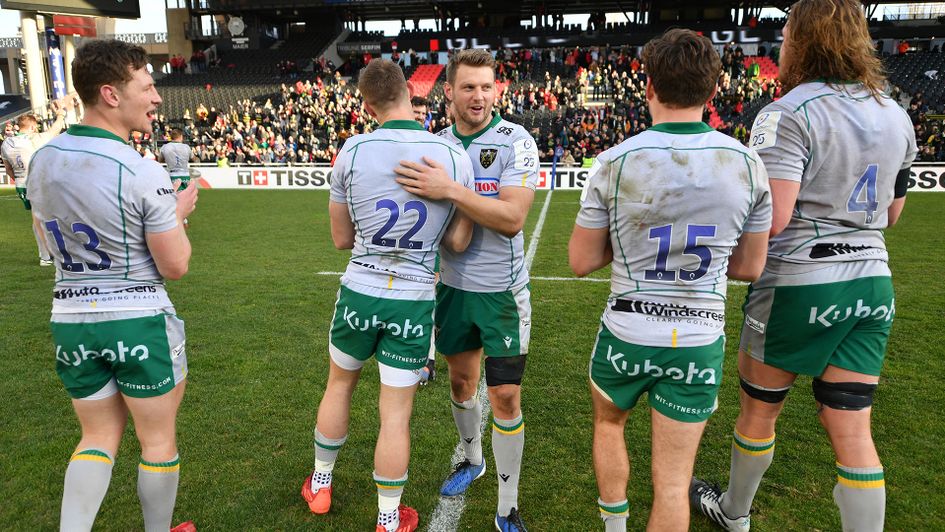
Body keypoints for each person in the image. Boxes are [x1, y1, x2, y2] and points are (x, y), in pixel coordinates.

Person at [690, 2, 918, 531]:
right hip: (871, 279)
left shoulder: (788, 111)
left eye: (788, 32)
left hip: (799, 280)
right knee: (853, 429)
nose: (782, 42)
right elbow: (893, 212)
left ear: (806, 39)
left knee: (759, 411)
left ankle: (734, 513)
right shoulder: (896, 112)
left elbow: (775, 218)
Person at [567, 29, 771, 531]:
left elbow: (580, 260)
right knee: (676, 485)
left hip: (628, 329)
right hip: (698, 335)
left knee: (609, 424)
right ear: (713, 88)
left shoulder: (614, 161)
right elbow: (748, 268)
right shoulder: (747, 164)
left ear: (649, 86)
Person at [27, 39, 198, 532]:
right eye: (147, 87)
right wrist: (176, 215)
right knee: (157, 441)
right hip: (137, 317)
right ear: (110, 94)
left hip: (72, 318)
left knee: (96, 436)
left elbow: (48, 235)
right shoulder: (141, 169)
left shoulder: (43, 160)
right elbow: (176, 265)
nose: (157, 98)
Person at [301, 59, 474, 532]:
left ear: (365, 102)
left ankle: (320, 484)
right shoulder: (452, 155)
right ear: (408, 92)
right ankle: (387, 518)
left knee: (339, 386)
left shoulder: (352, 151)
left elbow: (340, 239)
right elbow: (458, 243)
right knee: (395, 415)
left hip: (360, 290)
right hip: (414, 298)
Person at [394, 48, 540, 532]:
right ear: (449, 92)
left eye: (486, 87)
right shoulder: (435, 146)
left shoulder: (514, 140)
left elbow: (513, 219)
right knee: (460, 385)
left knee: (505, 399)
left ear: (496, 89)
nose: (478, 96)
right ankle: (472, 458)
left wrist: (453, 190)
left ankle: (507, 506)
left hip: (501, 295)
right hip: (452, 290)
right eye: (468, 87)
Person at [2, 106, 66, 266]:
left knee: (39, 218)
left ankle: (48, 253)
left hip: (21, 182)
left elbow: (8, 168)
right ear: (31, 127)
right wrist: (60, 114)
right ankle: (47, 255)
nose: (36, 129)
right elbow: (55, 130)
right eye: (35, 127)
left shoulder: (7, 142)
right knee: (46, 218)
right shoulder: (33, 139)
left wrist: (18, 179)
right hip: (38, 181)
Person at [159, 129, 196, 228]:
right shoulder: (186, 147)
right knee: (184, 198)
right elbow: (194, 159)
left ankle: (177, 220)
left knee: (173, 199)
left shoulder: (165, 147)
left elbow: (160, 160)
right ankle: (183, 219)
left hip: (172, 175)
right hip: (184, 175)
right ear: (181, 136)